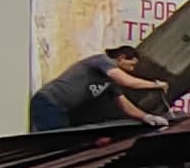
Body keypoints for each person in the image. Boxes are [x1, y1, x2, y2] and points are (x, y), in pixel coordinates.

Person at [30, 43, 172, 131]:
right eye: (131, 64)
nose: (132, 69)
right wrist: (155, 85)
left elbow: (124, 104)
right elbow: (127, 81)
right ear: (121, 58)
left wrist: (146, 117)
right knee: (54, 145)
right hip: (49, 102)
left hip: (63, 109)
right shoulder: (101, 61)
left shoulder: (109, 81)